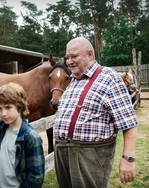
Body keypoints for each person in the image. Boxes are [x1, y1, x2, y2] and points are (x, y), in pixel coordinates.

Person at [54, 37, 138, 188]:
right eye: (67, 57)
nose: (69, 61)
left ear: (90, 54)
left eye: (74, 56)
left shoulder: (109, 78)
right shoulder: (73, 81)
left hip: (90, 156)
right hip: (62, 152)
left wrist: (128, 158)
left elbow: (129, 123)